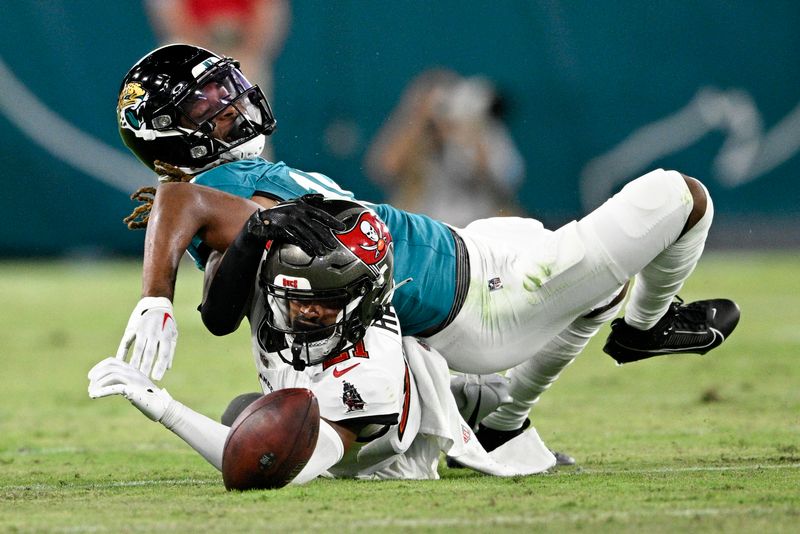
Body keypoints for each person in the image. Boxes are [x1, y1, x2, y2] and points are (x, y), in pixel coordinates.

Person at [114, 44, 741, 460]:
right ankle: (646, 329)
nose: (228, 101)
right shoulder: (206, 191)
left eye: (223, 87)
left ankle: (503, 421)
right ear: (171, 132)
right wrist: (154, 302)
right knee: (680, 196)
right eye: (203, 101)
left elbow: (221, 280)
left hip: (465, 255)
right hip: (476, 303)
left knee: (592, 281)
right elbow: (181, 210)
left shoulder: (230, 191)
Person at [89, 199, 556, 482]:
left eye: (327, 300)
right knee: (246, 411)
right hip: (325, 398)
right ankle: (469, 398)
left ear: (362, 296)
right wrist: (251, 235)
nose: (308, 310)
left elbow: (268, 469)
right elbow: (216, 314)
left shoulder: (368, 372)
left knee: (256, 425)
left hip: (379, 462)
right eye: (295, 297)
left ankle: (475, 404)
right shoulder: (278, 284)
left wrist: (162, 405)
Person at [365, 68, 525, 227]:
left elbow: (509, 178)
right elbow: (384, 169)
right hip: (425, 230)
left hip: (475, 228)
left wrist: (467, 136)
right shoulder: (415, 133)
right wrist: (419, 119)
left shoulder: (487, 131)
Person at [145, 0, 291, 160]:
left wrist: (245, 52)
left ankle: (251, 174)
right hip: (194, 42)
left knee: (250, 126)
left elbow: (267, 12)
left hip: (240, 46)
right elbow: (172, 14)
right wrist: (204, 57)